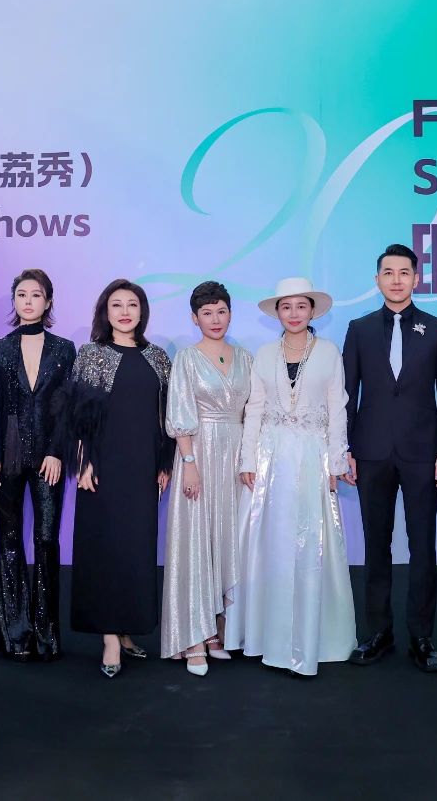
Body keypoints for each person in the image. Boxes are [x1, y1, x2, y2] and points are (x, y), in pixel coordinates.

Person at [227, 277, 356, 677]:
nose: (294, 313)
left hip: (313, 457)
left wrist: (336, 462)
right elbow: (254, 409)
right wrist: (247, 459)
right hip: (270, 459)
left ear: (312, 311)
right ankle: (266, 637)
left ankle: (315, 637)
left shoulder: (329, 352)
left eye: (301, 306)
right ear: (277, 313)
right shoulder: (265, 354)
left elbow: (337, 409)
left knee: (312, 543)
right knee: (271, 543)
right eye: (287, 307)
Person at [342, 244, 437, 673]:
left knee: (423, 545)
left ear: (416, 279)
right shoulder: (359, 329)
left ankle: (422, 636)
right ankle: (378, 632)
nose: (396, 280)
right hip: (370, 452)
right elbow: (346, 395)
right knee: (376, 544)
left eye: (404, 272)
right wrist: (345, 449)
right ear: (377, 280)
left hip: (422, 453)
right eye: (388, 272)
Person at [62, 279, 174, 678]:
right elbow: (79, 416)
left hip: (143, 467)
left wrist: (165, 463)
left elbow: (167, 418)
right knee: (104, 548)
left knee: (136, 549)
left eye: (132, 304)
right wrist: (84, 462)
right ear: (105, 312)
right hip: (103, 467)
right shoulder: (91, 354)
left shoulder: (158, 358)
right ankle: (109, 635)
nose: (125, 312)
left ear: (142, 311)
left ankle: (127, 630)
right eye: (116, 305)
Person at [0, 269, 76, 662]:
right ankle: (15, 635)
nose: (29, 301)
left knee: (47, 540)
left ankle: (46, 635)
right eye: (22, 294)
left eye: (36, 295)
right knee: (9, 540)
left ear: (48, 301)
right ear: (14, 301)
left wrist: (56, 451)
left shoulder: (65, 349)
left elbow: (67, 407)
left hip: (49, 457)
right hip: (8, 455)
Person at [162, 282, 253, 676]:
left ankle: (216, 631)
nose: (215, 319)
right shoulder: (186, 358)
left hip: (236, 456)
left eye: (221, 311)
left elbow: (254, 413)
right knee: (197, 541)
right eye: (207, 313)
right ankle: (192, 639)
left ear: (230, 313)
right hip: (198, 452)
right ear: (194, 318)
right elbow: (179, 413)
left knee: (229, 539)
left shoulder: (246, 358)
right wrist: (189, 462)